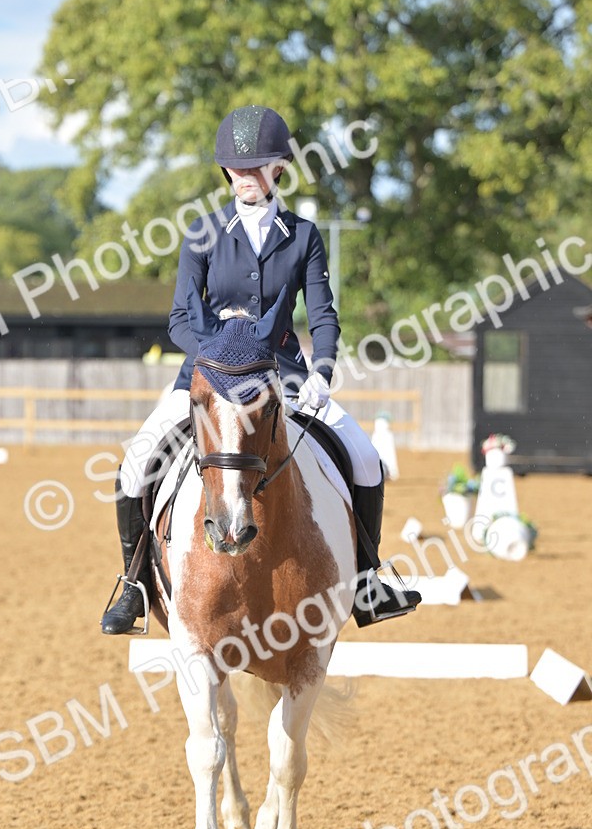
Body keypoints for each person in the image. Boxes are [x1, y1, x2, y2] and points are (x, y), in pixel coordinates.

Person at [101, 104, 421, 634]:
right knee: (136, 463)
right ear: (226, 172)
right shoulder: (203, 233)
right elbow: (181, 317)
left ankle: (367, 580)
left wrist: (321, 371)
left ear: (279, 169)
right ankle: (133, 583)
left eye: (259, 167)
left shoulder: (303, 236)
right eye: (238, 168)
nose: (247, 177)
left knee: (365, 459)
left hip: (282, 374)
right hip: (206, 375)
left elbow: (322, 314)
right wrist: (215, 355)